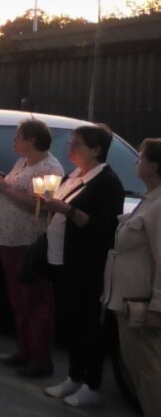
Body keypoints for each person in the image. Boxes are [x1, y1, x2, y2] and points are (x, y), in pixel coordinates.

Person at [39, 126, 125, 408]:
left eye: (77, 144)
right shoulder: (73, 175)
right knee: (71, 321)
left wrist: (69, 211)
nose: (70, 148)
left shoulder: (107, 182)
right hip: (62, 260)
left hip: (87, 264)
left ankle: (92, 382)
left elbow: (105, 227)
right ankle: (74, 376)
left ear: (96, 149)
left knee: (88, 324)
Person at [0, 119, 65, 377]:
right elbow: (10, 189)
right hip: (8, 238)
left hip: (28, 240)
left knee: (35, 300)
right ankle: (24, 349)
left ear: (32, 140)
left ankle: (40, 358)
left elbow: (37, 205)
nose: (14, 141)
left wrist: (4, 188)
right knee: (18, 299)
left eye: (18, 136)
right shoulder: (22, 163)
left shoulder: (49, 167)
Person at [103, 138, 161, 417]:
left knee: (150, 372)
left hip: (143, 303)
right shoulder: (149, 199)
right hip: (125, 299)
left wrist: (158, 306)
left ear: (155, 166)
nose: (136, 162)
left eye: (141, 157)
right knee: (137, 369)